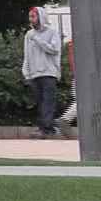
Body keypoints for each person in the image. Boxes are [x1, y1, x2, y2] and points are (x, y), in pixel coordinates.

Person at [22, 7, 63, 136]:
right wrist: (26, 72)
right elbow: (27, 55)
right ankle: (46, 128)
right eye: (30, 16)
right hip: (34, 74)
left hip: (49, 72)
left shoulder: (52, 32)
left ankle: (46, 129)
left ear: (41, 17)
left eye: (33, 16)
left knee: (48, 101)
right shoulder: (29, 35)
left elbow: (54, 49)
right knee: (39, 102)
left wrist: (38, 39)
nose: (31, 19)